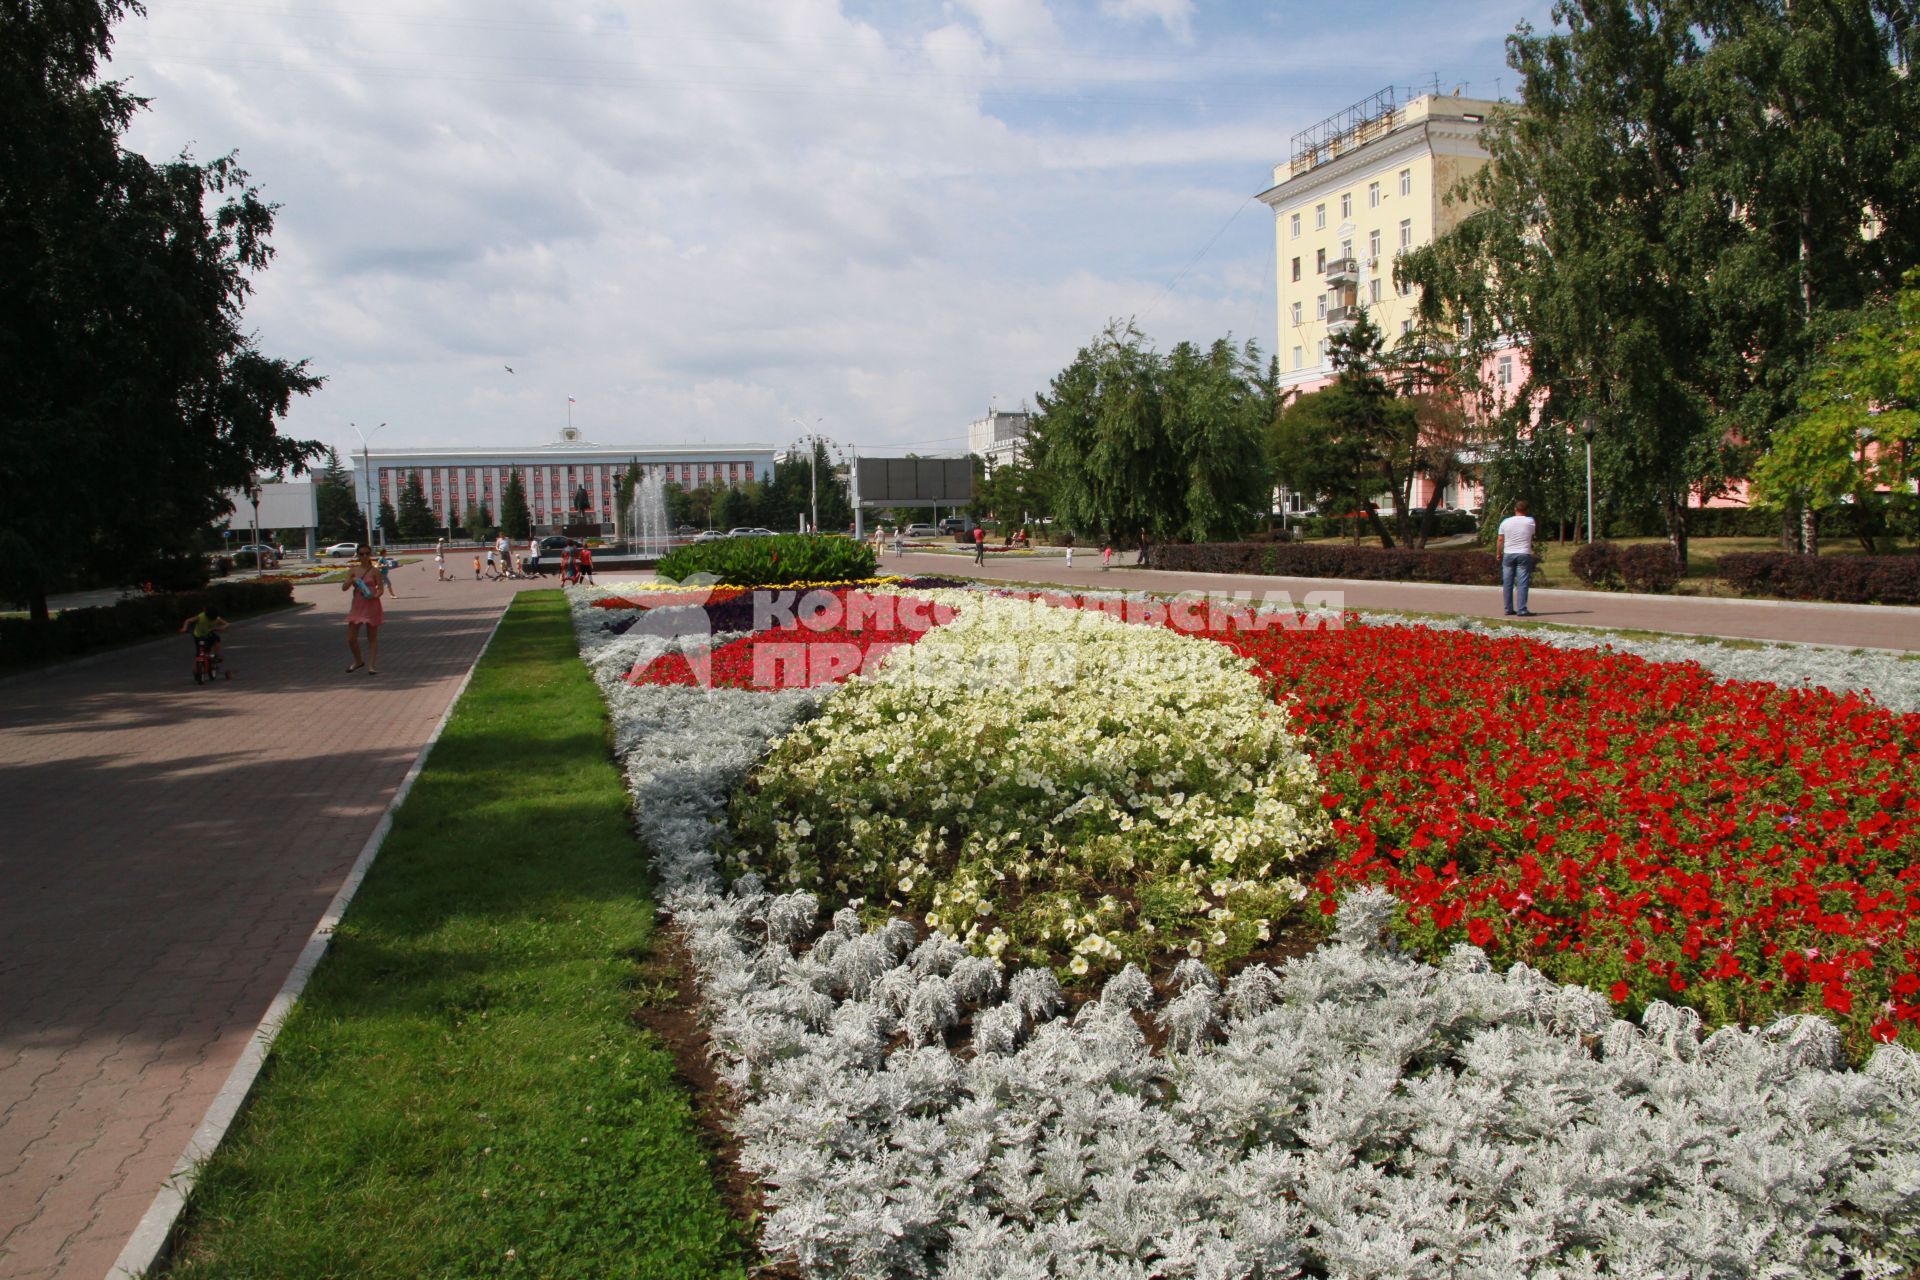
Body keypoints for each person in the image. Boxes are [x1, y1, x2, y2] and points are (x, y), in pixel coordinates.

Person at [342, 543, 391, 673]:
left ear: (370, 555)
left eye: (367, 554)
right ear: (357, 555)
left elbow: (380, 589)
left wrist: (375, 596)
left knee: (372, 637)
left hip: (371, 604)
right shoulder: (353, 571)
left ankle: (371, 665)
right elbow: (344, 588)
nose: (364, 556)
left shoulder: (375, 571)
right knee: (351, 638)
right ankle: (358, 661)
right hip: (357, 605)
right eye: (361, 554)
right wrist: (351, 580)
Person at [1497, 500, 1539, 617]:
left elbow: (1500, 539)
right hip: (1523, 553)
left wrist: (1498, 553)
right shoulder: (1530, 521)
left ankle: (1508, 608)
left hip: (1508, 554)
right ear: (1526, 510)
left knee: (1507, 582)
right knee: (1522, 582)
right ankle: (1521, 609)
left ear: (1515, 509)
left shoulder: (1505, 522)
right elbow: (1531, 535)